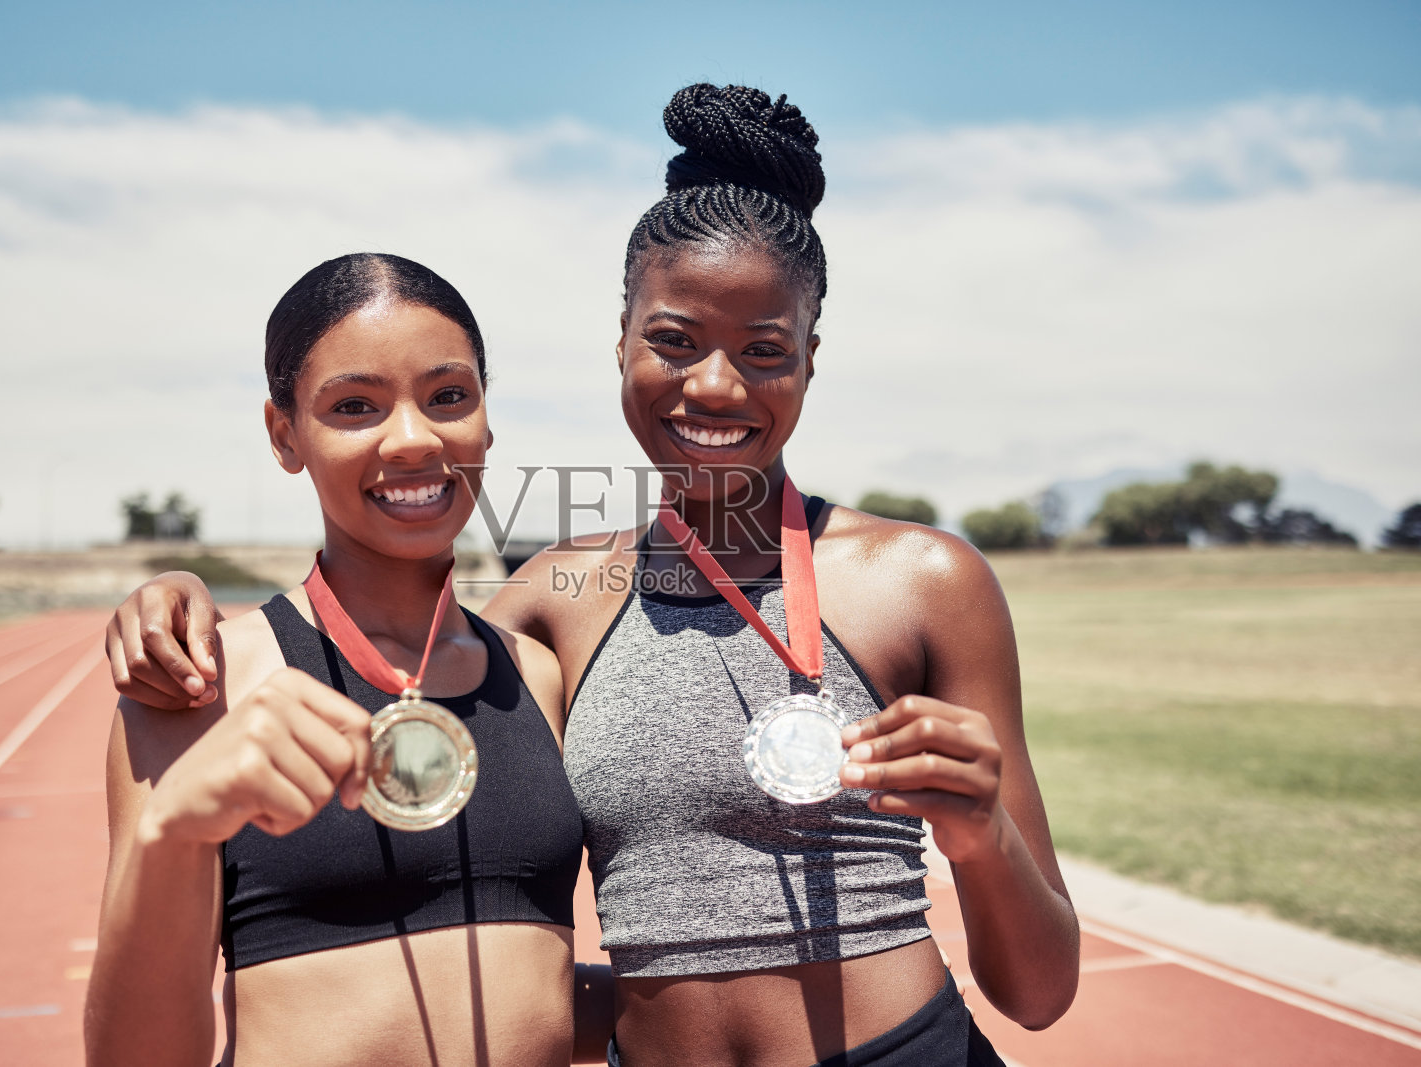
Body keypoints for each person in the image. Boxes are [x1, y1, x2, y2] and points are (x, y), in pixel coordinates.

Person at [108, 85, 1079, 1066]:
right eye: (673, 340)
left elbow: (1039, 992)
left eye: (764, 351)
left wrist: (981, 832)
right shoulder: (547, 611)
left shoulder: (923, 579)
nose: (713, 384)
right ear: (619, 340)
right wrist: (174, 590)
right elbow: (376, 626)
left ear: (810, 361)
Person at [85, 253, 609, 1067]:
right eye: (355, 406)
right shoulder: (197, 686)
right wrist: (173, 831)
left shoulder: (537, 675)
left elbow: (532, 982)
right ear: (284, 434)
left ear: (486, 421)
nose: (413, 439)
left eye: (448, 396)